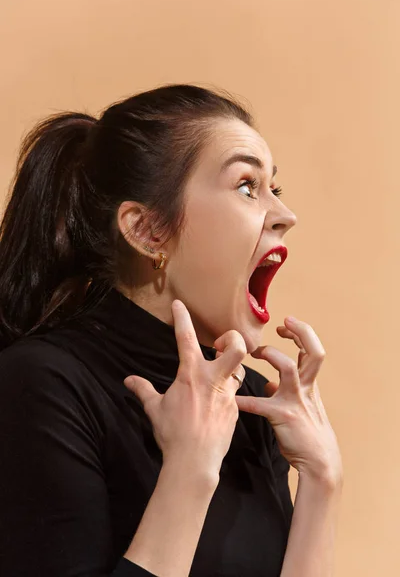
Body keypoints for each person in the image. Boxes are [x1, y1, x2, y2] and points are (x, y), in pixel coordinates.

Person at [0, 84, 343, 577]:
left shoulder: (245, 401)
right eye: (247, 186)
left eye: (275, 188)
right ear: (147, 231)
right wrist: (188, 471)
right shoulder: (39, 385)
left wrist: (321, 480)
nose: (285, 216)